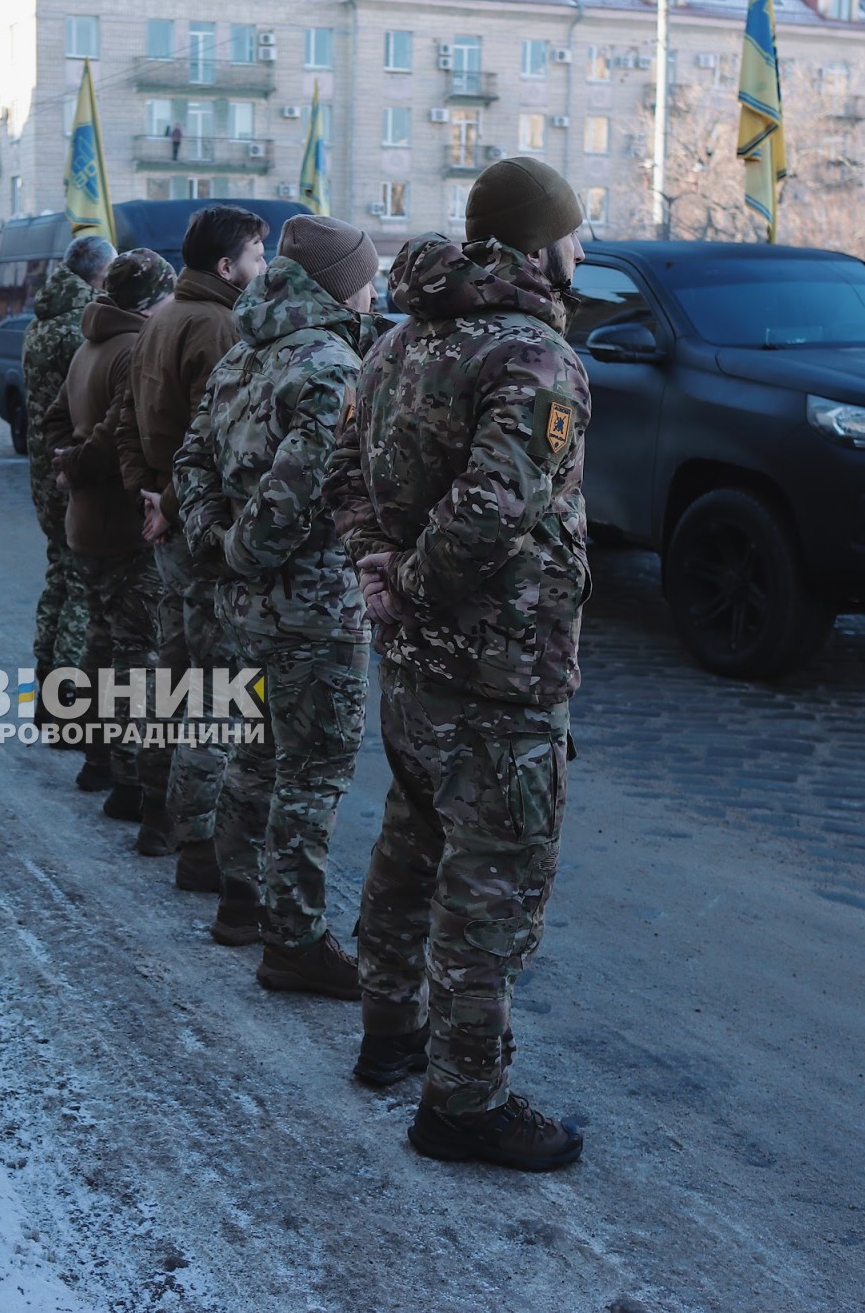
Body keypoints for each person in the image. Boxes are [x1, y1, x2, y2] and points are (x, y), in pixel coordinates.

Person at [334, 154, 592, 1173]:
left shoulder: (396, 340)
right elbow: (491, 511)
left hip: (413, 666)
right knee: (491, 887)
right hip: (498, 671)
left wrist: (377, 572)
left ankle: (388, 1031)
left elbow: (345, 476)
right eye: (574, 233)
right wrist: (411, 584)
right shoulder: (530, 355)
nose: (581, 250)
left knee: (408, 847)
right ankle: (461, 1102)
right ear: (539, 241)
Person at [173, 214, 375, 999]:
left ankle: (240, 901)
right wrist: (240, 550)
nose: (374, 291)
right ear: (338, 284)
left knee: (256, 756)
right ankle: (293, 941)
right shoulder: (329, 364)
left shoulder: (247, 353)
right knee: (311, 774)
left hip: (243, 606)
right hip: (310, 610)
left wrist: (214, 537)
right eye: (366, 278)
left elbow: (190, 459)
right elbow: (300, 491)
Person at [108, 204, 269, 875]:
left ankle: (155, 811)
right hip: (198, 526)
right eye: (259, 257)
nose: (264, 269)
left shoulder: (164, 316)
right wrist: (167, 503)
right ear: (228, 267)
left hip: (169, 520)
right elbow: (217, 440)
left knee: (169, 671)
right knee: (217, 691)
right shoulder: (220, 325)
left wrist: (147, 492)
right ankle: (198, 843)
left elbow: (127, 421)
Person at [46, 249, 177, 826]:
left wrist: (64, 462)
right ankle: (128, 779)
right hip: (123, 522)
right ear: (150, 302)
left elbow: (55, 422)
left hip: (85, 522)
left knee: (102, 640)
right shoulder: (132, 350)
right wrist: (78, 461)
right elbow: (115, 433)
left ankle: (96, 756)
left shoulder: (88, 345)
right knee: (134, 654)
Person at [24, 236, 112, 778]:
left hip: (44, 469)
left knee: (59, 580)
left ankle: (47, 700)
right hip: (69, 471)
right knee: (79, 587)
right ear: (98, 277)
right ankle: (64, 712)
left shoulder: (45, 316)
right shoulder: (79, 322)